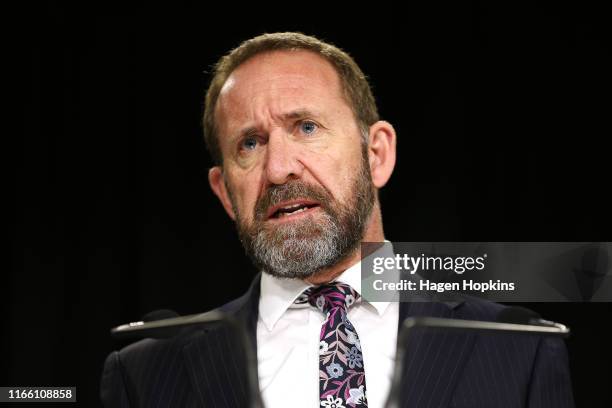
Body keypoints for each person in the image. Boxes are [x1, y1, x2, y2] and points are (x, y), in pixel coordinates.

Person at [100, 32, 574, 408]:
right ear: (226, 192)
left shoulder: (519, 347)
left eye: (306, 128)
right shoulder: (145, 372)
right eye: (250, 143)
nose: (279, 167)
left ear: (377, 155)